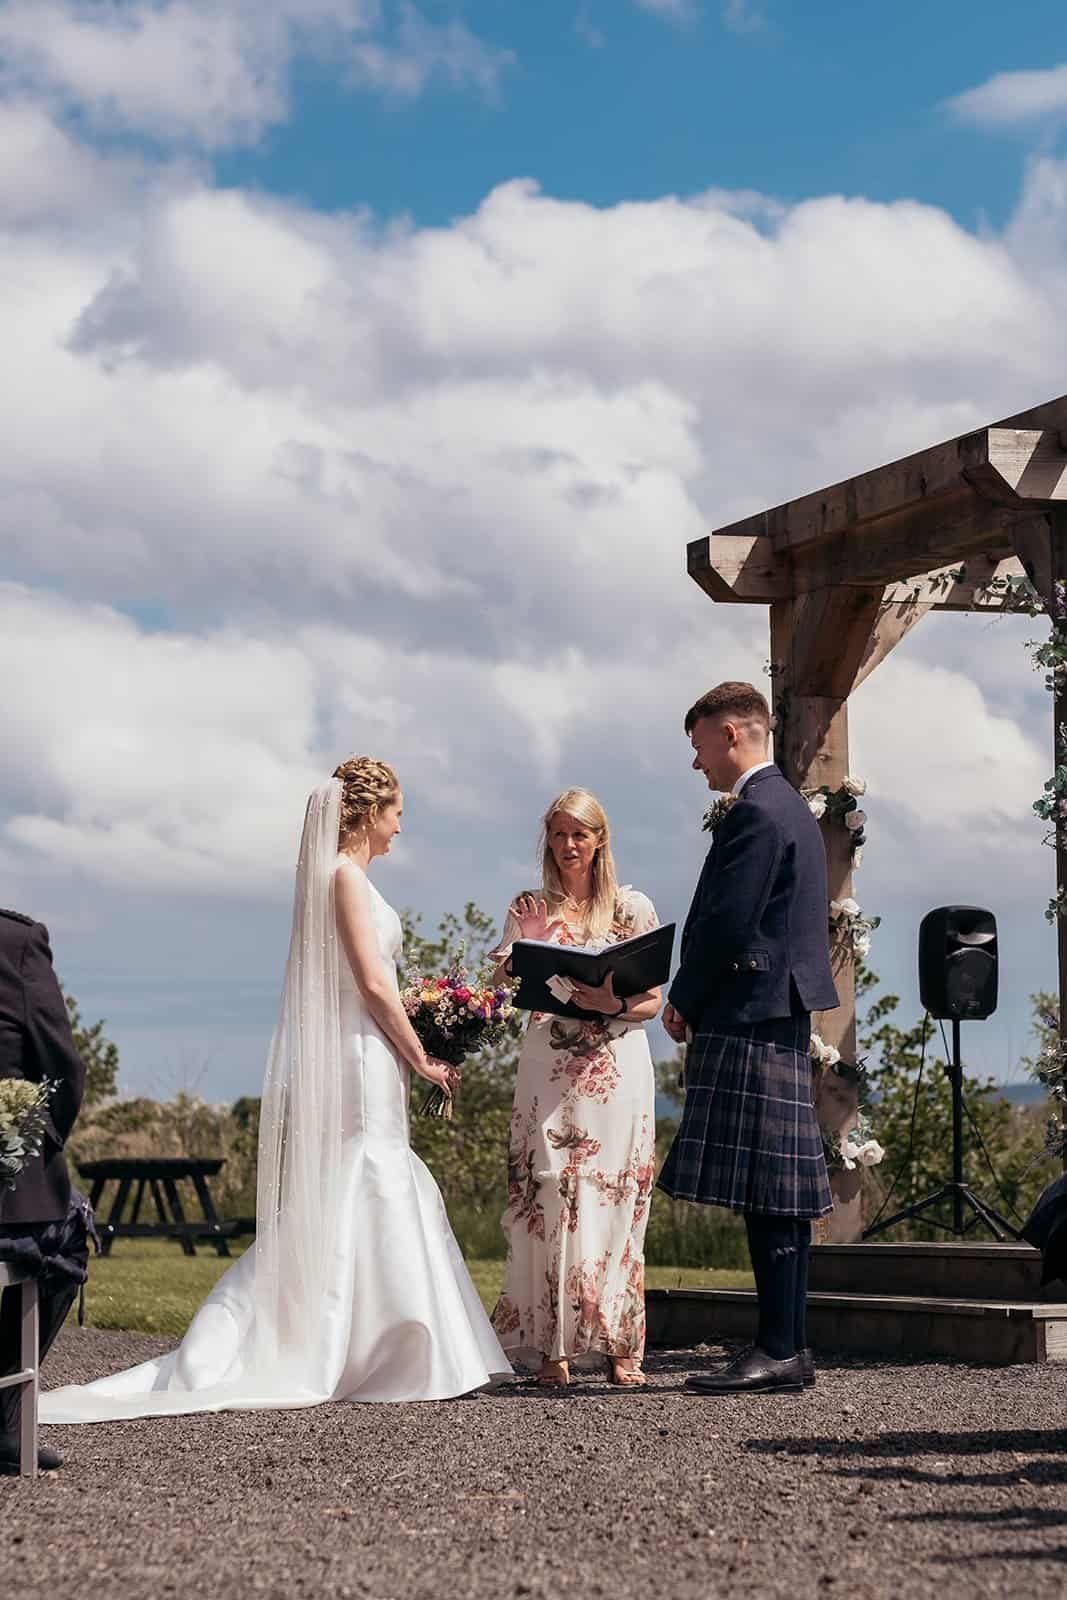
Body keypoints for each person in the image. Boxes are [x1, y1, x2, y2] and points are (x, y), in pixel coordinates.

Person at [40, 759, 510, 1423]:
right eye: (396, 810)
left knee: (365, 1177)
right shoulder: (343, 877)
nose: (401, 825)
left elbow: (379, 985)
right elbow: (371, 988)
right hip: (360, 1052)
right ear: (369, 812)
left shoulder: (351, 880)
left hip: (372, 1046)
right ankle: (371, 1346)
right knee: (365, 1173)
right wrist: (422, 1058)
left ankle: (387, 1344)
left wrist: (428, 1018)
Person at [658, 683, 838, 1396]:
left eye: (699, 744)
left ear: (732, 734)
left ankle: (779, 1346)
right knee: (776, 1191)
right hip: (772, 1009)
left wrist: (683, 997)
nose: (696, 762)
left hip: (752, 1009)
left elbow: (729, 922)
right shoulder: (782, 805)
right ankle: (784, 1345)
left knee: (771, 1190)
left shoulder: (758, 812)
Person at [489, 788, 660, 1388]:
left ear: (599, 840)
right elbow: (505, 990)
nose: (567, 846)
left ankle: (619, 1342)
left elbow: (654, 1001)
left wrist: (610, 1000)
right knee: (553, 1198)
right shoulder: (529, 906)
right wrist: (510, 966)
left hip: (616, 1070)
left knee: (616, 1199)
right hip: (550, 1070)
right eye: (558, 834)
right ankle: (551, 1347)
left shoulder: (632, 908)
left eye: (579, 835)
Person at [0, 908, 89, 1473]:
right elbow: (63, 1067)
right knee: (70, 1231)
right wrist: (37, 1144)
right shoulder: (16, 940)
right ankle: (5, 1419)